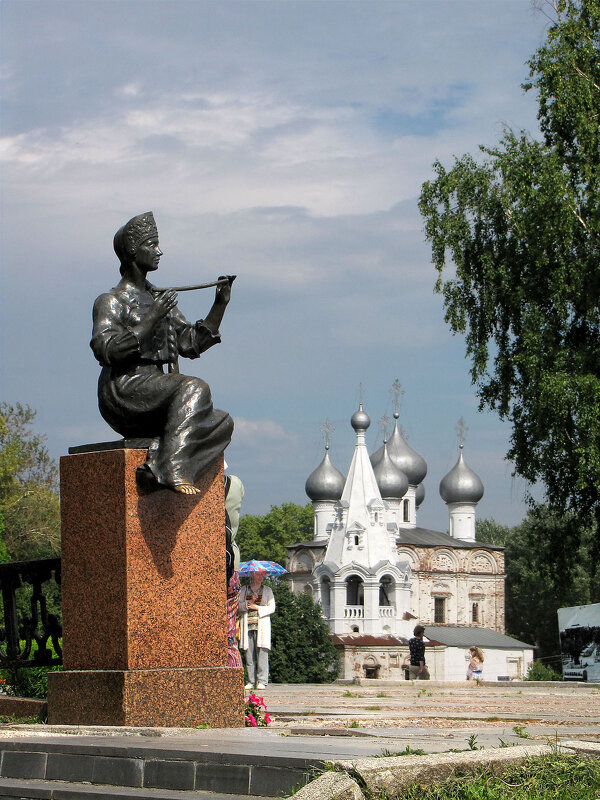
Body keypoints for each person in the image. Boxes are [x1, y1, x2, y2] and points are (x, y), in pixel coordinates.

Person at [90, 212, 234, 494]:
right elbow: (106, 350)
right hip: (124, 389)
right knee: (195, 387)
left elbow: (190, 343)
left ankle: (155, 470)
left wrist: (220, 305)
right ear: (133, 251)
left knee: (222, 423)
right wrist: (152, 318)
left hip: (160, 392)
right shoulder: (111, 300)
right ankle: (172, 468)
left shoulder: (158, 298)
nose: (159, 252)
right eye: (152, 245)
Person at [238, 570, 275, 689]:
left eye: (262, 574)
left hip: (261, 626)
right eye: (258, 574)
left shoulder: (267, 590)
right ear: (252, 575)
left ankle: (262, 681)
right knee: (249, 654)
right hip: (247, 625)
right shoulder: (244, 590)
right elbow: (238, 606)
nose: (261, 577)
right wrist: (249, 603)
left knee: (262, 653)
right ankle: (251, 681)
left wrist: (257, 607)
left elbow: (272, 608)